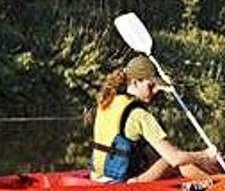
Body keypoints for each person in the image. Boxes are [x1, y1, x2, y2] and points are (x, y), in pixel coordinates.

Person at [91, 55, 217, 183]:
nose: (156, 90)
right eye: (151, 86)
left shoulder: (108, 101)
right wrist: (205, 155)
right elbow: (174, 159)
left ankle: (213, 181)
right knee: (179, 159)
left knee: (163, 155)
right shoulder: (139, 114)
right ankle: (219, 187)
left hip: (98, 176)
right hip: (123, 182)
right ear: (135, 82)